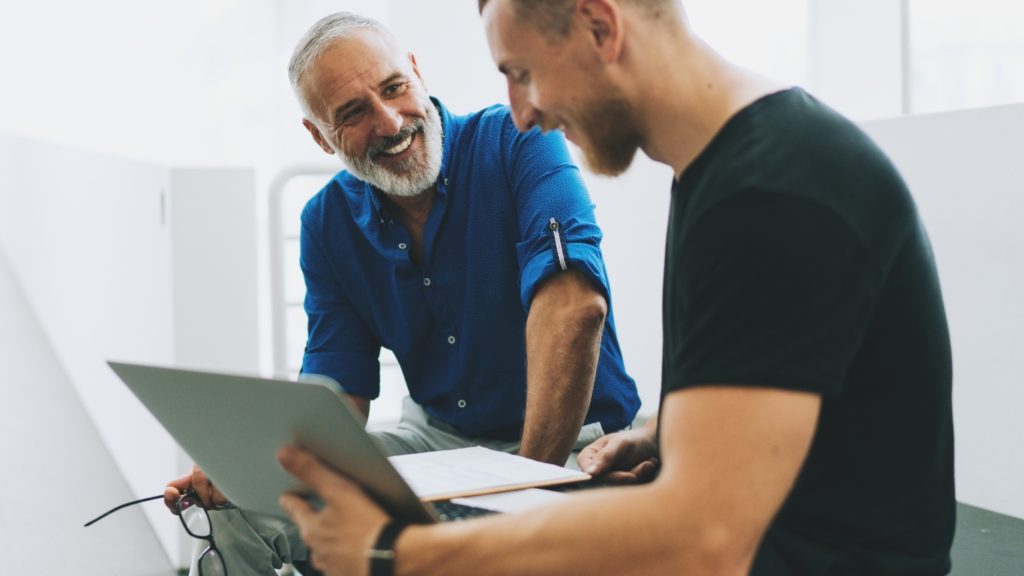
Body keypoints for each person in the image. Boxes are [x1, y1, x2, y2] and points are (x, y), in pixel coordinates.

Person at [276, 0, 956, 575]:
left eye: (522, 74)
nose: (521, 112)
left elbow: (703, 539)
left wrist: (399, 550)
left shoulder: (772, 192)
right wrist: (669, 433)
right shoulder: (729, 172)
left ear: (601, 26)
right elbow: (795, 383)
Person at [162, 10, 641, 575]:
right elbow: (338, 392)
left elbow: (575, 306)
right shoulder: (326, 221)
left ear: (417, 72)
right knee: (236, 512)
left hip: (570, 444)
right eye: (353, 113)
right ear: (319, 136)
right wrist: (252, 467)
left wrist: (519, 497)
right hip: (441, 446)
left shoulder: (520, 141)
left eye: (394, 89)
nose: (390, 123)